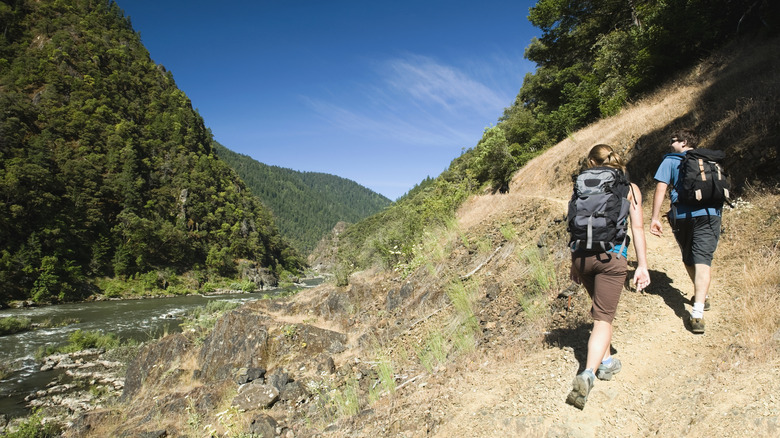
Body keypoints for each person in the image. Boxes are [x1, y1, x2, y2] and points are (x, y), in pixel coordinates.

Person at [566, 144, 651, 410]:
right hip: (611, 258)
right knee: (603, 318)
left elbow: (574, 224)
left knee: (601, 309)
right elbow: (637, 228)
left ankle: (606, 363)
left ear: (591, 162)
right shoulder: (630, 188)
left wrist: (573, 264)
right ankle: (588, 373)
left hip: (582, 257)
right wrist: (643, 265)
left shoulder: (581, 186)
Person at [650, 128, 721, 334]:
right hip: (710, 214)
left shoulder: (670, 160)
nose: (671, 143)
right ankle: (699, 307)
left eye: (674, 140)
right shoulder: (709, 159)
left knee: (690, 258)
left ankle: (700, 305)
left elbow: (661, 188)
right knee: (703, 259)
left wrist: (655, 217)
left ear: (684, 142)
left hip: (682, 216)